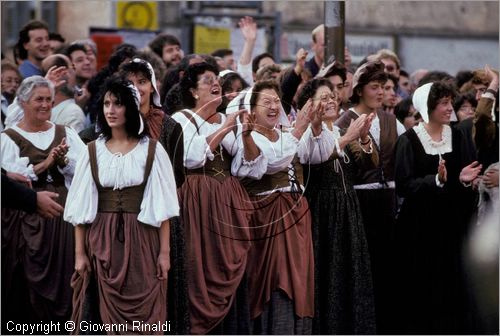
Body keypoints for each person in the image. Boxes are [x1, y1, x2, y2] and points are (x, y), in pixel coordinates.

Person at [64, 76, 179, 333]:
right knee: (104, 317)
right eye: (106, 103)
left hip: (142, 238)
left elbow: (163, 208)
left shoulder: (151, 150)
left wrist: (164, 253)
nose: (111, 110)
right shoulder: (93, 151)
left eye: (117, 103)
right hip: (103, 238)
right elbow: (80, 211)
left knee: (148, 310)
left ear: (130, 107)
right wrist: (80, 255)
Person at [231, 80, 319, 334]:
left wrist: (313, 125)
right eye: (265, 102)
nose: (273, 106)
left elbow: (317, 153)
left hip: (296, 215)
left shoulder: (285, 134)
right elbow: (269, 163)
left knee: (299, 278)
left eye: (275, 101)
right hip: (268, 215)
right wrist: (299, 129)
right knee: (276, 280)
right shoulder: (247, 138)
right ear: (251, 109)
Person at [393, 80, 481, 334]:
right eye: (443, 103)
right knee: (423, 285)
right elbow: (404, 185)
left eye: (449, 102)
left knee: (452, 285)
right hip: (420, 226)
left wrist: (463, 181)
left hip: (452, 223)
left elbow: (462, 178)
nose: (449, 108)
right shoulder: (409, 140)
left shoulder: (457, 135)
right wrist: (435, 180)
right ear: (428, 107)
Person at [172, 62, 253, 334]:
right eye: (208, 80)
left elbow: (245, 165)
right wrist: (225, 128)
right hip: (196, 199)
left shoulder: (227, 119)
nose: (215, 83)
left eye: (217, 78)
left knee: (227, 259)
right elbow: (190, 158)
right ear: (194, 91)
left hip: (227, 198)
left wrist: (245, 133)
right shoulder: (182, 119)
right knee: (197, 259)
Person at [296, 78, 377, 334]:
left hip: (348, 209)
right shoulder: (306, 134)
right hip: (322, 210)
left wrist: (362, 139)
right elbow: (314, 160)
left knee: (350, 272)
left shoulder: (341, 131)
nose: (330, 101)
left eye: (332, 96)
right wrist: (348, 138)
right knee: (327, 273)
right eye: (323, 97)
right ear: (310, 104)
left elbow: (368, 166)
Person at [1, 75, 85, 324]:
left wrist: (63, 162)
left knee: (64, 272)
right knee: (26, 277)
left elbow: (85, 170)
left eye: (49, 99)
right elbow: (11, 180)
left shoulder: (65, 133)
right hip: (25, 217)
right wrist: (45, 163)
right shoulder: (8, 138)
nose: (45, 105)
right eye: (39, 99)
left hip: (61, 214)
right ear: (24, 103)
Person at [334, 60, 405, 334]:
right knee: (363, 267)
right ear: (360, 89)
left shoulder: (391, 121)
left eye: (384, 87)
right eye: (374, 87)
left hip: (388, 201)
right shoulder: (344, 121)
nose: (380, 92)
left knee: (387, 268)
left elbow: (402, 158)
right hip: (359, 203)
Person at [41, 54, 86, 132]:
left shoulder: (37, 111)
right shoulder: (73, 112)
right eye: (73, 67)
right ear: (62, 73)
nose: (75, 72)